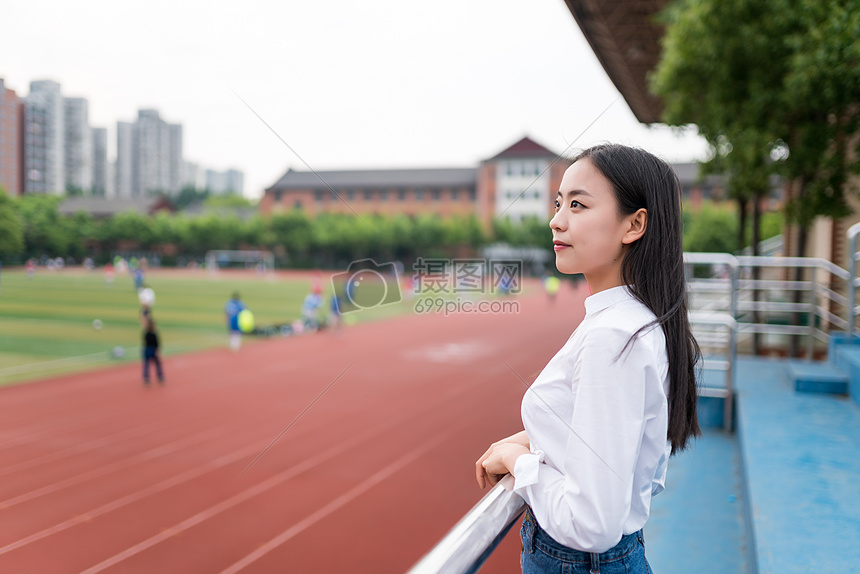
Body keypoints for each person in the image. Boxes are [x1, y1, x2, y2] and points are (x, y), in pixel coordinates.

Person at [476, 144, 700, 573]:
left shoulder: (614, 336)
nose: (556, 220)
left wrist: (516, 461)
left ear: (635, 224)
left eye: (577, 205)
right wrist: (534, 437)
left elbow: (591, 523)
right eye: (559, 203)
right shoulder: (635, 319)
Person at [142, 318, 164, 385]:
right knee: (157, 364)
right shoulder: (154, 334)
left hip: (147, 350)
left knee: (147, 365)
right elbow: (157, 344)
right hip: (153, 350)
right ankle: (159, 376)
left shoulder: (146, 333)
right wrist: (158, 351)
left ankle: (146, 378)